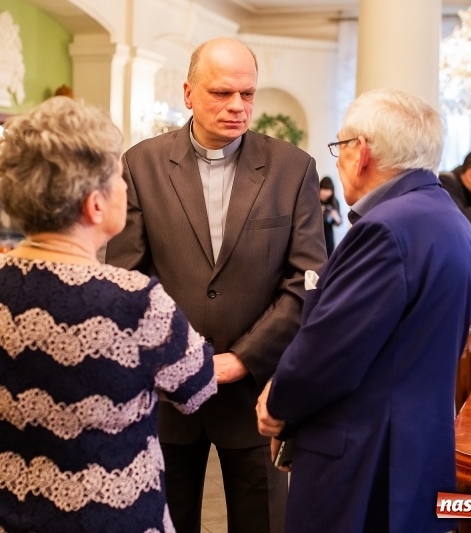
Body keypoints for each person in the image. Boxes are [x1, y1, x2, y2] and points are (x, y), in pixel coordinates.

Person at [0, 96, 217, 533]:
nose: (127, 189)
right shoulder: (136, 302)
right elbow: (198, 387)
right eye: (119, 178)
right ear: (94, 204)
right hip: (104, 520)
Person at [105, 37, 327, 533]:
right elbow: (129, 280)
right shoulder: (139, 166)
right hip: (167, 394)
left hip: (257, 393)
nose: (237, 106)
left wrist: (241, 359)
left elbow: (305, 283)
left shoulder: (292, 169)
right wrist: (183, 358)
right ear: (188, 93)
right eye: (222, 92)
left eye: (247, 94)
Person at [256, 88, 471, 532]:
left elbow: (330, 351)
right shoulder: (451, 220)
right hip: (418, 449)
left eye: (339, 146)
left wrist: (278, 401)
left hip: (363, 458)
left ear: (360, 152)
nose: (337, 160)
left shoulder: (385, 228)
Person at [319, 176, 342, 256]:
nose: (326, 193)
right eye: (324, 189)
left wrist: (335, 216)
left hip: (328, 239)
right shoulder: (314, 201)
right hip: (316, 238)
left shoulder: (334, 202)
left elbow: (339, 222)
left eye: (328, 190)